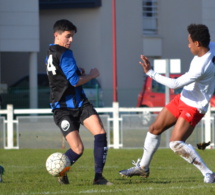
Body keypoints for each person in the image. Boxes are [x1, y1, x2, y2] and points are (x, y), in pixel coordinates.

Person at [119, 24, 215, 183]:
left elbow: (175, 84)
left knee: (175, 143)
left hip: (195, 106)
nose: (188, 45)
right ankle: (143, 168)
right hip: (183, 99)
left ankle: (208, 173)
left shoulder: (202, 66)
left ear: (198, 43)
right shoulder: (210, 47)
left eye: (190, 41)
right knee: (154, 129)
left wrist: (150, 72)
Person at [45, 19, 112, 185]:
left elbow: (62, 74)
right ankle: (62, 170)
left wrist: (76, 70)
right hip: (64, 108)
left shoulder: (50, 53)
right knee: (78, 149)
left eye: (72, 36)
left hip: (80, 104)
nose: (71, 40)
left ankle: (98, 177)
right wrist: (91, 75)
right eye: (68, 36)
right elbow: (74, 81)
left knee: (100, 133)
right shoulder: (66, 53)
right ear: (57, 35)